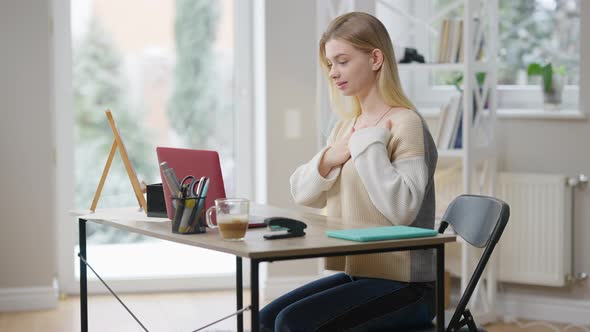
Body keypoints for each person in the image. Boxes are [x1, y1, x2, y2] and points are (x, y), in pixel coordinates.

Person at [259, 12, 439, 332]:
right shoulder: (347, 127)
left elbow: (402, 209)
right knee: (265, 319)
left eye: (342, 61)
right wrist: (331, 156)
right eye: (330, 64)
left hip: (408, 284)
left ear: (375, 58)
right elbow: (304, 194)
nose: (333, 72)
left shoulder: (405, 124)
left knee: (292, 323)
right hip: (362, 274)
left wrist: (368, 144)